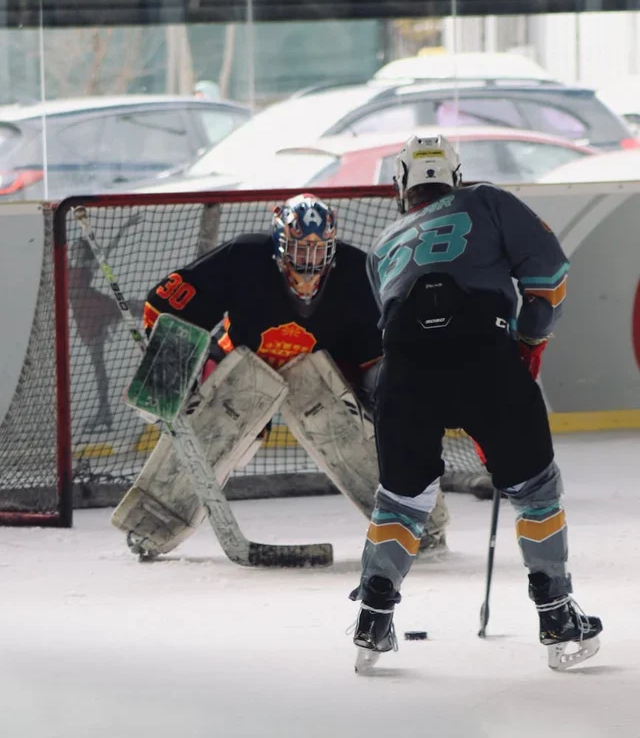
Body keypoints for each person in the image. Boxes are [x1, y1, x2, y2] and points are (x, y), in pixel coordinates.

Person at [350, 135, 602, 672]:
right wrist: (530, 342)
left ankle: (372, 617)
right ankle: (556, 613)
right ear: (455, 176)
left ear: (403, 185)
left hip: (404, 372)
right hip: (483, 358)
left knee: (401, 498)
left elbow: (392, 319)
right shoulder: (487, 200)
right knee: (534, 489)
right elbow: (549, 277)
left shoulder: (382, 244)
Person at [113, 193, 449, 556]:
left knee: (363, 423)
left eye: (318, 250)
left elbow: (377, 350)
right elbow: (170, 304)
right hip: (238, 370)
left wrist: (387, 399)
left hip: (321, 378)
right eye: (300, 249)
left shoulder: (357, 272)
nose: (309, 261)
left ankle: (419, 524)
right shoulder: (243, 257)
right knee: (224, 422)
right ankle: (152, 525)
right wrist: (166, 367)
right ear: (279, 244)